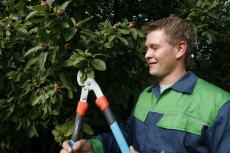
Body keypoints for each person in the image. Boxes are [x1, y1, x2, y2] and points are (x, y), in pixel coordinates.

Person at [61, 17, 230, 153]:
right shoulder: (146, 95)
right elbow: (126, 135)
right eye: (147, 48)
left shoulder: (218, 104)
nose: (147, 55)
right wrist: (93, 147)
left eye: (155, 48)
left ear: (180, 49)